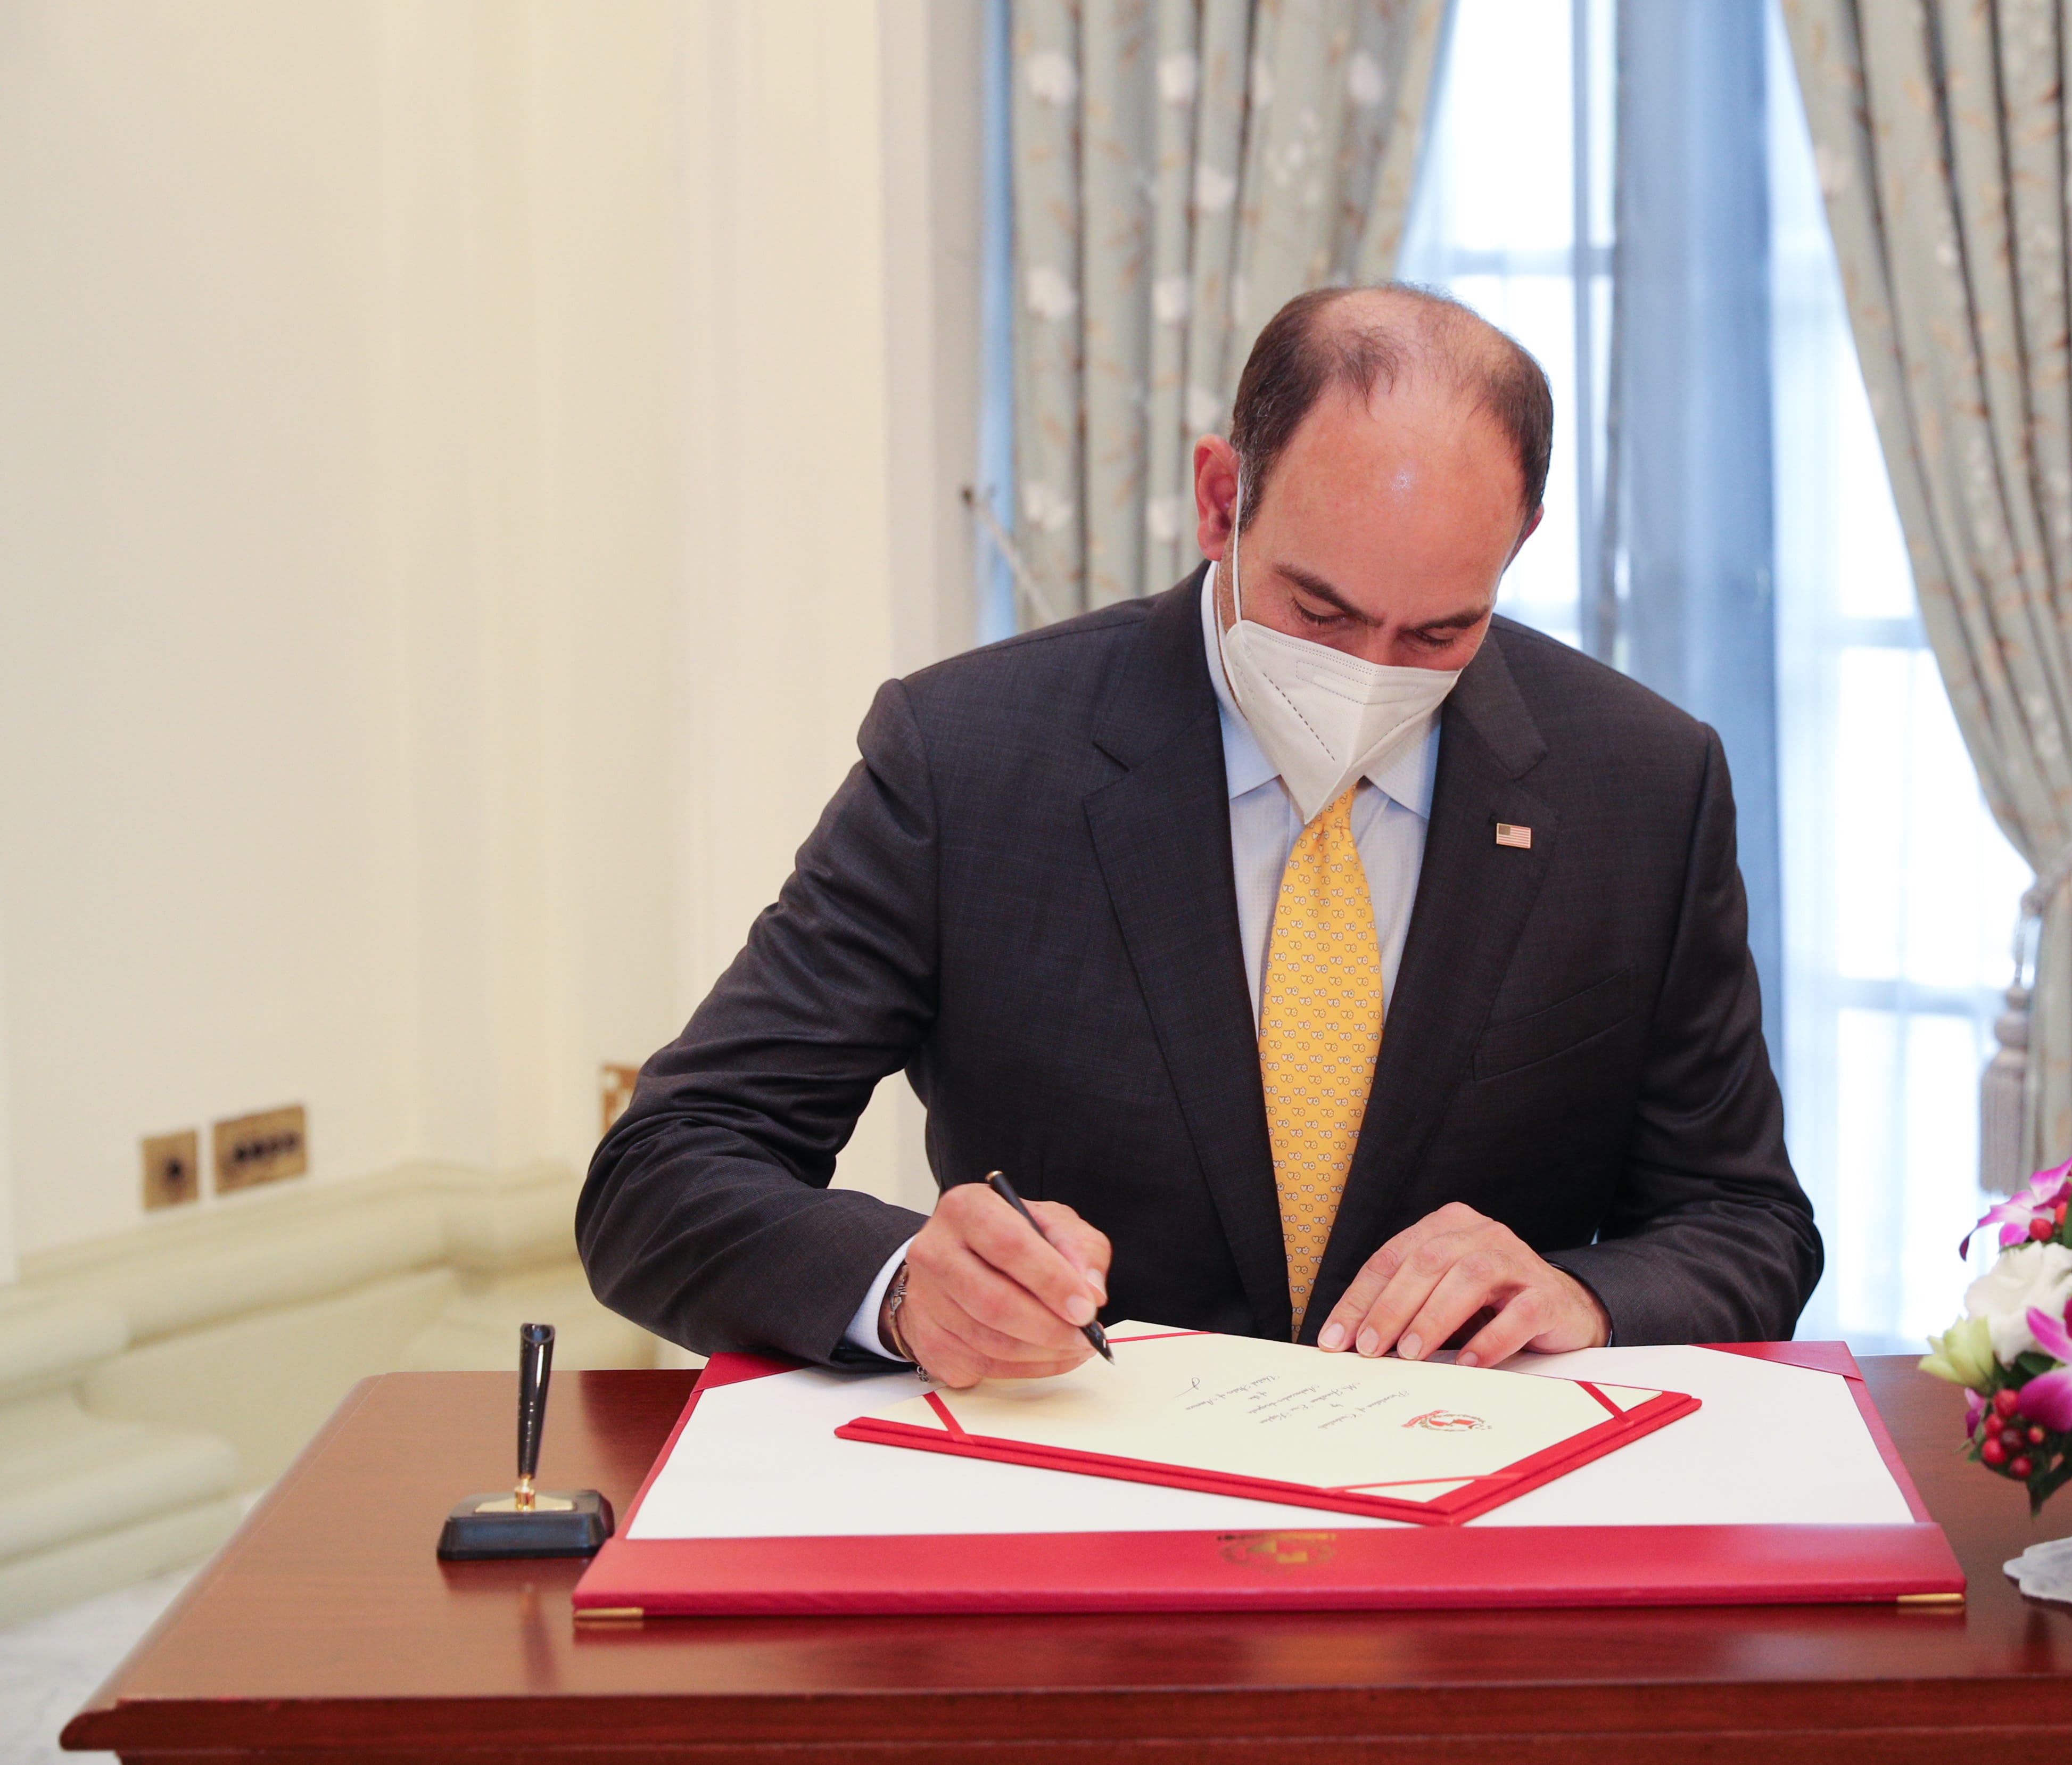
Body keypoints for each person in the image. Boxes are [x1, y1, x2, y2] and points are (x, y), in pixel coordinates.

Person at [579, 285, 1820, 1387]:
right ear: (1222, 499)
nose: (1370, 672)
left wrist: (1588, 1294)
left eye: (1438, 632)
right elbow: (665, 1171)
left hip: (1471, 1535)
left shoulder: (1642, 781)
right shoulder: (971, 757)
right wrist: (904, 1288)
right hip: (1083, 1521)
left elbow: (1745, 1222)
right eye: (1319, 611)